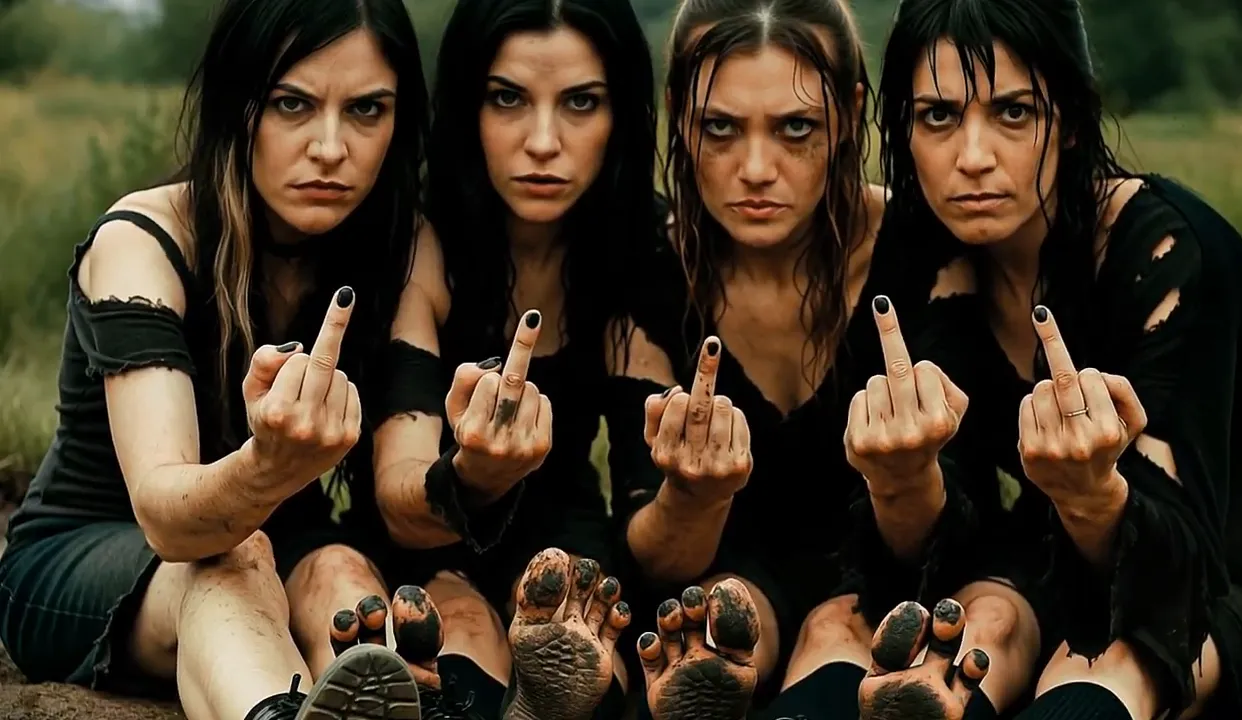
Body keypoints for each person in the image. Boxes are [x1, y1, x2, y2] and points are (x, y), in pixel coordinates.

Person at [0, 0, 436, 718]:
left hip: (279, 542)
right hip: (84, 559)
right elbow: (166, 517)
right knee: (232, 559)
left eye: (366, 110)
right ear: (239, 108)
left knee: (343, 577)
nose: (331, 147)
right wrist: (268, 469)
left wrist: (473, 475)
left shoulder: (401, 246)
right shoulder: (143, 242)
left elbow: (407, 476)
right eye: (292, 105)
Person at [859, 0, 1242, 718]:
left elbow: (1176, 571)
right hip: (1045, 565)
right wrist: (899, 480)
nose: (973, 156)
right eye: (937, 116)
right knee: (976, 629)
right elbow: (943, 540)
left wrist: (1093, 496)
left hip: (1218, 586)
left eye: (1014, 113)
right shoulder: (923, 256)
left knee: (1109, 666)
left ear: (1073, 120)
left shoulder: (1166, 255)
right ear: (902, 127)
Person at [602, 1, 990, 717]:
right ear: (678, 117)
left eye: (795, 128)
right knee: (728, 607)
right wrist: (691, 497)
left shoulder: (920, 250)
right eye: (720, 128)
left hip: (901, 588)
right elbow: (648, 551)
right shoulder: (648, 267)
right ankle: (729, 665)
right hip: (715, 586)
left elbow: (951, 532)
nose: (755, 169)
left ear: (848, 114)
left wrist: (907, 476)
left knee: (842, 626)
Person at [324, 0, 660, 718]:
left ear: (622, 113)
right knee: (455, 618)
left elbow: (645, 496)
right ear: (466, 106)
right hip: (422, 531)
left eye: (581, 102)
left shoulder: (639, 248)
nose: (543, 141)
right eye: (507, 99)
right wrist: (474, 476)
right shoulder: (420, 241)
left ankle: (564, 697)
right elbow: (397, 491)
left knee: (581, 624)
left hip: (564, 529)